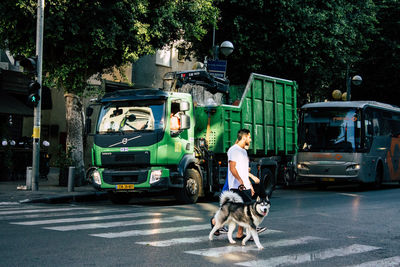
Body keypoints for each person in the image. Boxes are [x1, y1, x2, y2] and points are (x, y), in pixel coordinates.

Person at [210, 129, 266, 238]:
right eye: (249, 137)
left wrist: (249, 184)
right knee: (239, 210)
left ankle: (240, 234)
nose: (250, 139)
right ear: (244, 137)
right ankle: (214, 222)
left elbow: (244, 171)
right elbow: (232, 168)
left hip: (245, 186)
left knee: (242, 210)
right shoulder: (233, 150)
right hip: (236, 187)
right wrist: (240, 181)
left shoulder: (244, 151)